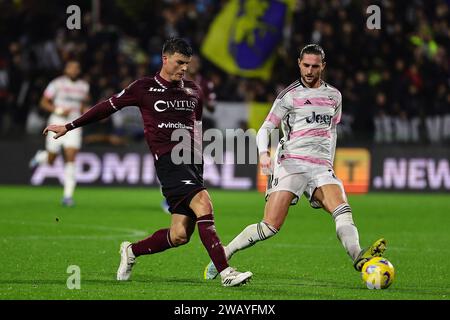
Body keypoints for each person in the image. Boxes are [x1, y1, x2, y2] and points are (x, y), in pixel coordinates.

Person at [43, 38, 252, 287]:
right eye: (179, 62)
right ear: (165, 59)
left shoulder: (195, 91)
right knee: (203, 203)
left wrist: (199, 163)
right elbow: (107, 107)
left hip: (192, 163)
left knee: (179, 235)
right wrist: (69, 126)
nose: (184, 68)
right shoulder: (142, 88)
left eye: (187, 64)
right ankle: (226, 272)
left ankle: (131, 251)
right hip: (167, 161)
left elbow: (196, 128)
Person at [204, 44, 386, 280]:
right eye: (306, 65)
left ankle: (358, 257)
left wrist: (329, 163)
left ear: (323, 66)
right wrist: (263, 154)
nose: (310, 71)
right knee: (270, 226)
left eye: (315, 66)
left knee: (343, 211)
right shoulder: (289, 96)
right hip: (291, 163)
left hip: (321, 166)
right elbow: (265, 129)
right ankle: (225, 253)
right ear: (299, 63)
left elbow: (332, 132)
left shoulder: (334, 96)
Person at [30, 60, 90, 207]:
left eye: (76, 67)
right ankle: (41, 157)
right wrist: (58, 110)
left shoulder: (84, 86)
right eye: (71, 67)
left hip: (74, 125)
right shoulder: (56, 83)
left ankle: (68, 196)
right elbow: (43, 102)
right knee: (52, 159)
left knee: (71, 157)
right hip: (56, 122)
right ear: (66, 69)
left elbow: (82, 106)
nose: (74, 70)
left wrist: (87, 113)